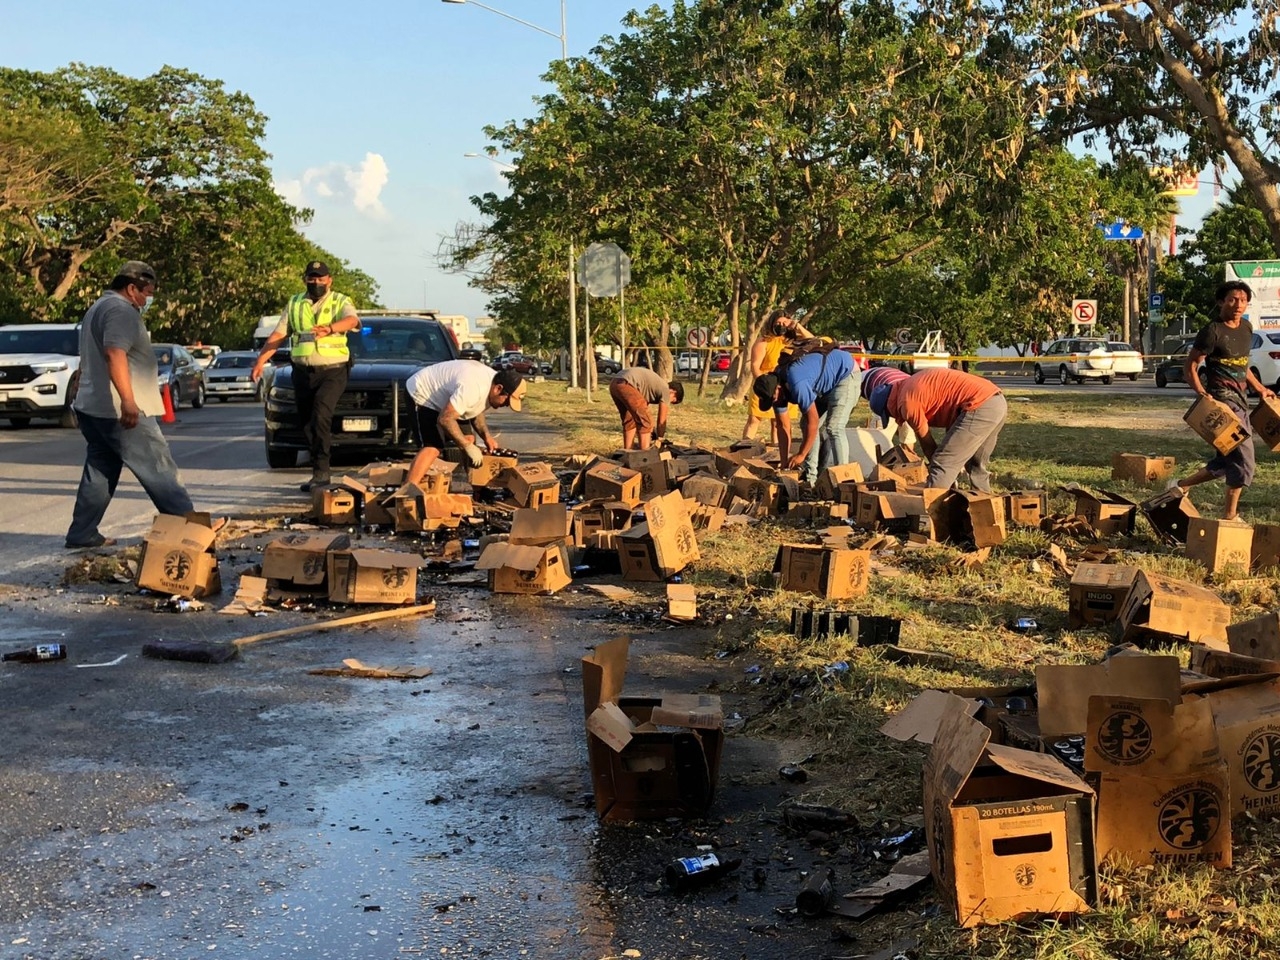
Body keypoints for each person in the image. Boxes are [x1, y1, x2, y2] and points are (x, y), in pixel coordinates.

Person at [65, 261, 195, 549]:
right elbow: (114, 353)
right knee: (159, 467)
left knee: (100, 470)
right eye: (147, 292)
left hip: (94, 407)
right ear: (131, 287)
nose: (149, 299)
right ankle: (192, 530)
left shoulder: (98, 307)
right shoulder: (120, 311)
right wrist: (128, 400)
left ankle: (82, 533)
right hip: (118, 410)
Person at [1171, 280, 1275, 519]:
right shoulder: (1212, 331)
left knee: (1227, 459)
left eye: (1243, 300)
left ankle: (1181, 486)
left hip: (1240, 401)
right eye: (1232, 299)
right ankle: (1230, 515)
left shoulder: (1247, 328)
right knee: (1244, 458)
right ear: (1221, 302)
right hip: (1222, 402)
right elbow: (1191, 368)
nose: (1238, 305)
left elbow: (1243, 365)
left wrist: (1260, 389)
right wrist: (1205, 397)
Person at [252, 260, 360, 492]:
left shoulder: (340, 300)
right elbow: (279, 334)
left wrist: (330, 328)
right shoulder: (295, 303)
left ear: (329, 280)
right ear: (305, 279)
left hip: (333, 370)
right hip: (302, 371)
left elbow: (352, 321)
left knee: (321, 413)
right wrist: (261, 361)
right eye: (312, 278)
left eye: (321, 279)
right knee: (308, 423)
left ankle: (322, 473)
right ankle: (317, 471)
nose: (317, 283)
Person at [866, 366, 1007, 492]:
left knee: (943, 461)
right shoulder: (907, 385)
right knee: (976, 464)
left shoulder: (907, 402)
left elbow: (927, 443)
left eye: (889, 414)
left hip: (979, 406)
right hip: (996, 400)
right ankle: (985, 507)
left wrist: (935, 467)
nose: (894, 418)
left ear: (888, 405)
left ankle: (932, 513)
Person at [751, 341, 860, 484]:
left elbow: (813, 421)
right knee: (804, 424)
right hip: (821, 382)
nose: (775, 402)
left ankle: (845, 481)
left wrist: (801, 454)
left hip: (845, 373)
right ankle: (811, 479)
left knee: (834, 427)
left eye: (773, 399)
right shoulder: (776, 389)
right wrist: (785, 464)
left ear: (778, 389)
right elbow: (783, 427)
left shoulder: (796, 382)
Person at [403, 361, 526, 486]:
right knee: (433, 447)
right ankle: (407, 491)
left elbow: (476, 409)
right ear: (498, 388)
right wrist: (466, 446)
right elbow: (445, 419)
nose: (505, 406)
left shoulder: (490, 383)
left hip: (449, 399)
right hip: (422, 392)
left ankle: (470, 483)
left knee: (469, 438)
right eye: (507, 401)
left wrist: (486, 437)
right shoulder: (473, 388)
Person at [743, 309, 812, 442]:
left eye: (784, 323)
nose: (781, 326)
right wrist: (764, 387)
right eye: (778, 322)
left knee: (778, 423)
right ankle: (745, 448)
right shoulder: (763, 342)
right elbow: (755, 366)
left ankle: (777, 453)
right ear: (772, 324)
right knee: (754, 420)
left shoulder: (792, 342)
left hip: (786, 386)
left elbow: (813, 340)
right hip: (766, 384)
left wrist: (797, 326)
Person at [608, 367, 684, 450]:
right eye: (672, 400)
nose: (669, 402)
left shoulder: (653, 386)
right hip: (627, 385)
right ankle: (645, 456)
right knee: (646, 422)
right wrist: (660, 439)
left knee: (630, 421)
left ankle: (628, 452)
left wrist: (652, 432)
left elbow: (641, 409)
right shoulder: (665, 389)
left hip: (615, 384)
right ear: (673, 392)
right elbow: (661, 421)